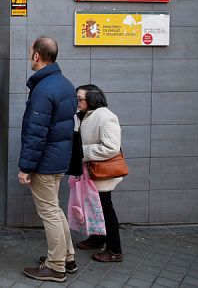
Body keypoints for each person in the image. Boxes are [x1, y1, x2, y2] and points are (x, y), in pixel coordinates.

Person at [19, 36, 77, 283]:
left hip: (44, 161)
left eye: (31, 51)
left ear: (36, 56)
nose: (29, 55)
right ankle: (68, 257)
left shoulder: (43, 89)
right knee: (55, 209)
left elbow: (36, 132)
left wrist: (26, 167)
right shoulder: (64, 84)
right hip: (59, 158)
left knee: (49, 212)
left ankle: (55, 266)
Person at [74, 84, 124, 263]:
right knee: (95, 207)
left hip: (103, 173)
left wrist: (81, 151)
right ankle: (98, 238)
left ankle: (114, 250)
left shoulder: (106, 117)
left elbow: (111, 147)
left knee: (105, 208)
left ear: (92, 99)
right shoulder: (88, 115)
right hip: (91, 172)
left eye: (80, 99)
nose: (77, 102)